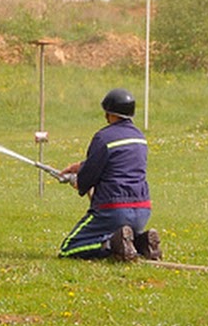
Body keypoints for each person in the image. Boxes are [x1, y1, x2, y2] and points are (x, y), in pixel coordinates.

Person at [58, 88, 162, 261]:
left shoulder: (103, 137)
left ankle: (112, 247)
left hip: (114, 210)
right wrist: (80, 167)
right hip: (142, 210)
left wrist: (79, 181)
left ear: (108, 113)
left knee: (69, 249)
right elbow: (119, 164)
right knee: (120, 233)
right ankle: (142, 244)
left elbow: (88, 177)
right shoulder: (140, 138)